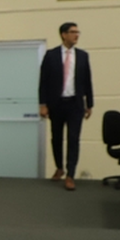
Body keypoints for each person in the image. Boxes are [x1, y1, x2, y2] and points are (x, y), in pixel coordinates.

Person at [38, 22, 93, 191]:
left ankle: (70, 174)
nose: (76, 35)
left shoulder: (82, 56)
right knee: (56, 137)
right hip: (56, 103)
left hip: (75, 104)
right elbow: (43, 81)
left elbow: (87, 81)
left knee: (73, 139)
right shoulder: (51, 55)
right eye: (73, 32)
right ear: (63, 34)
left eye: (78, 32)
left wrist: (89, 104)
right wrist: (43, 104)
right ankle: (59, 167)